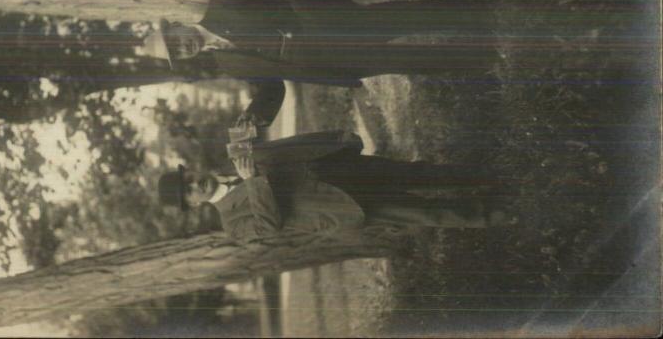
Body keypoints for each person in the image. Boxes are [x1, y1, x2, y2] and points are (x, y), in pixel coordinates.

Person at [141, 0, 504, 126]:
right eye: (178, 54)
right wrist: (257, 117)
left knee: (409, 18)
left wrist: (318, 18)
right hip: (336, 64)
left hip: (338, 23)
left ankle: (489, 15)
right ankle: (489, 59)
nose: (184, 48)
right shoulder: (225, 62)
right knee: (412, 60)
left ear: (176, 25)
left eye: (176, 42)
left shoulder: (224, 3)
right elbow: (270, 86)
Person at [157, 130, 508, 241]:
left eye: (188, 178)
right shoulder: (233, 224)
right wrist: (252, 183)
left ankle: (493, 176)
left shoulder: (235, 157)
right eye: (189, 191)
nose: (195, 184)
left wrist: (337, 140)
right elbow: (269, 226)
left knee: (417, 174)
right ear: (193, 205)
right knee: (425, 211)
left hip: (340, 169)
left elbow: (289, 147)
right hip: (340, 206)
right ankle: (499, 212)